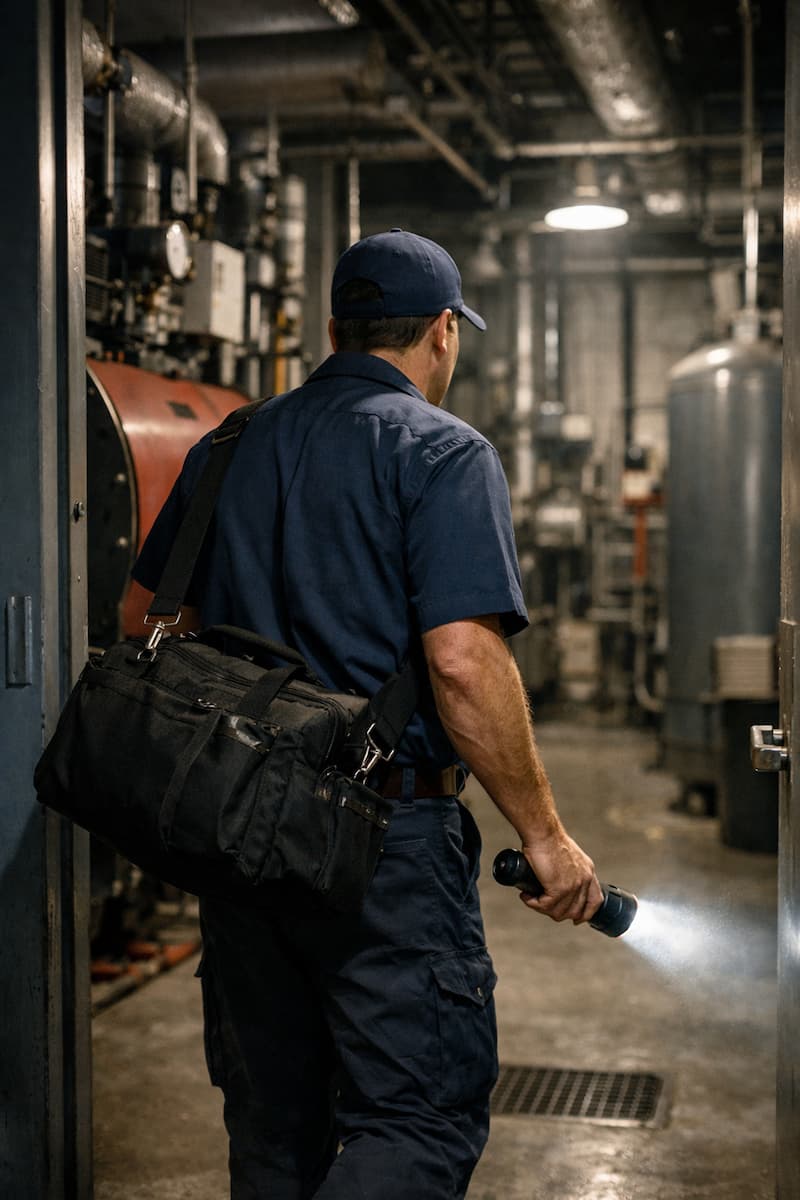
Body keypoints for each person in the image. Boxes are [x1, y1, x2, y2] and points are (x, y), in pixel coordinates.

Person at [132, 228, 603, 1200]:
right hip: (379, 837)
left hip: (237, 827)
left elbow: (151, 620)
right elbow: (463, 662)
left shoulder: (232, 442)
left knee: (272, 1126)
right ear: (441, 333)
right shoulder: (439, 451)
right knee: (415, 1120)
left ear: (338, 327)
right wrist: (545, 837)